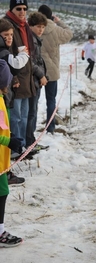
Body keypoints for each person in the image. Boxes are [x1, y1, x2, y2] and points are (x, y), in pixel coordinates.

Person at [3, 0, 35, 158]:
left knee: (23, 116)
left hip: (27, 78)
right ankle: (15, 150)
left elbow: (28, 53)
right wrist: (12, 78)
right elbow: (6, 56)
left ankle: (21, 147)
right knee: (15, 118)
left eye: (24, 8)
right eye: (18, 9)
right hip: (14, 80)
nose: (22, 12)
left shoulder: (25, 26)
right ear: (11, 10)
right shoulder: (7, 26)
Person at [38, 4, 73, 134]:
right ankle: (50, 127)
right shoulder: (56, 29)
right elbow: (69, 33)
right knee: (51, 100)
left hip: (36, 71)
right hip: (52, 70)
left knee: (32, 103)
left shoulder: (34, 28)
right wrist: (59, 21)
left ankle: (29, 130)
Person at [0, 59, 24, 247]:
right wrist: (9, 141)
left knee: (3, 190)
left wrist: (11, 135)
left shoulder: (0, 98)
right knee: (2, 191)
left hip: (1, 159)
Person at [26, 12, 48, 151]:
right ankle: (29, 142)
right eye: (38, 26)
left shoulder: (36, 39)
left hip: (36, 81)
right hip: (32, 81)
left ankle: (31, 140)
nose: (41, 29)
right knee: (31, 113)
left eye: (43, 27)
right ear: (31, 26)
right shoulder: (31, 40)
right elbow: (32, 62)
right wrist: (41, 75)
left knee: (33, 112)